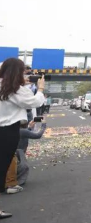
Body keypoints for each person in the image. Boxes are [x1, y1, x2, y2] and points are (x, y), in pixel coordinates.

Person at [0, 58, 46, 219]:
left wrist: (23, 86)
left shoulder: (5, 86)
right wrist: (40, 89)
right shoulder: (14, 89)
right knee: (2, 169)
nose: (25, 74)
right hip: (7, 132)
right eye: (23, 71)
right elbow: (33, 102)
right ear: (15, 72)